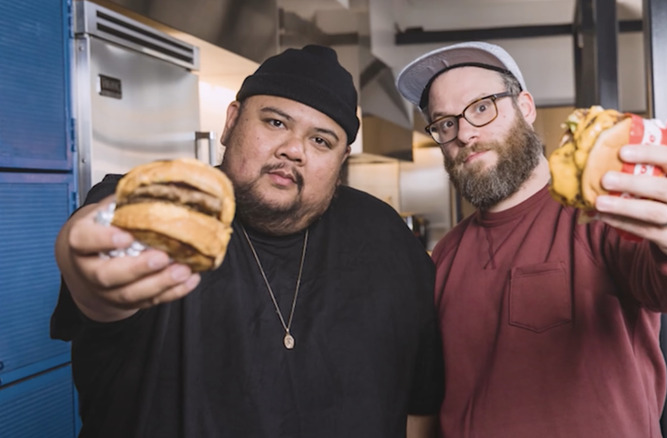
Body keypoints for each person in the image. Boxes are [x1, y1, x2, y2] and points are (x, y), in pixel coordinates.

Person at [51, 45, 443, 438]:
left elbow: (419, 407)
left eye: (321, 141)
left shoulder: (385, 236)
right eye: (275, 123)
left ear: (341, 164)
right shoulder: (173, 208)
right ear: (232, 122)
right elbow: (98, 249)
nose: (294, 149)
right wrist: (91, 258)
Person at [395, 41, 667, 437]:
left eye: (480, 107)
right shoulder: (446, 254)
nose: (465, 133)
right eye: (445, 123)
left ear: (524, 107)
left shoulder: (597, 214)